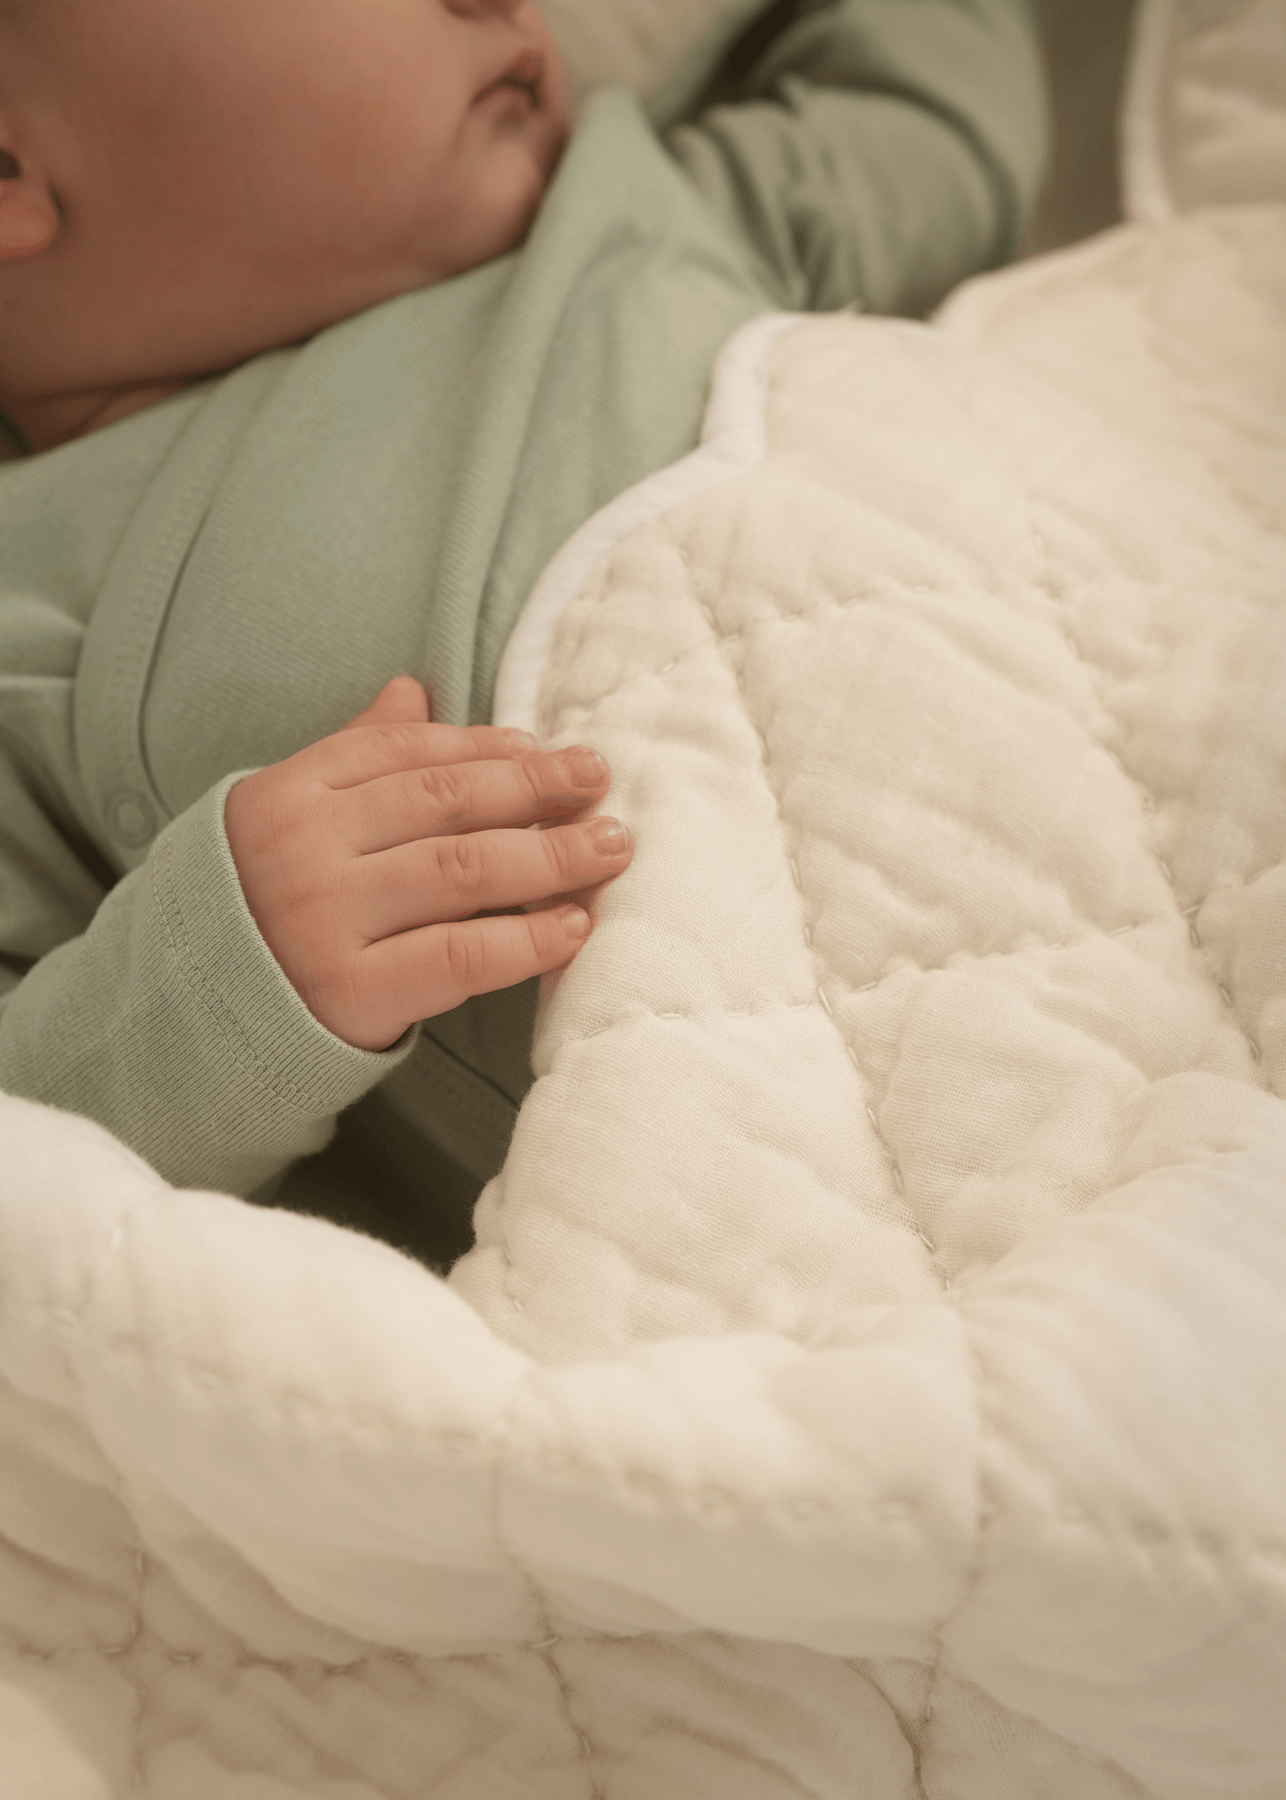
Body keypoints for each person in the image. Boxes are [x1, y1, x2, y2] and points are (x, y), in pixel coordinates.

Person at [0, 0, 1047, 1262]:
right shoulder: (25, 598)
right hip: (730, 1225)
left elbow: (931, 129)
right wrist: (216, 985)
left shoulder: (632, 215)